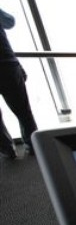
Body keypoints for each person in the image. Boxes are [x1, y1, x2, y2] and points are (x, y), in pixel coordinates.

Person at [0, 8, 38, 159]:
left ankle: (7, 149)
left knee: (22, 111)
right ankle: (33, 145)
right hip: (7, 65)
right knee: (23, 110)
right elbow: (10, 22)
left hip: (8, 64)